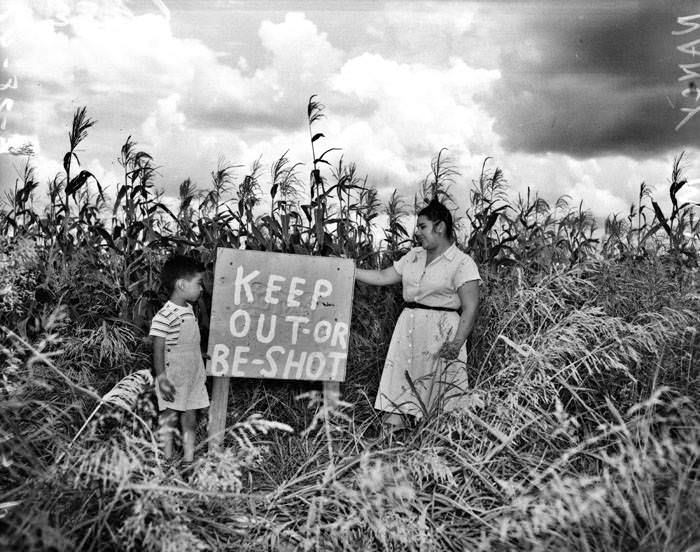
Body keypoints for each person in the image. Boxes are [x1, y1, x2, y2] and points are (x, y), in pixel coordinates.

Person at [355, 198, 480, 428]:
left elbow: (471, 306)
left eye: (422, 226)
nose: (417, 232)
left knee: (442, 398)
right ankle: (392, 446)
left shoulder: (462, 263)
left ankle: (437, 450)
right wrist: (351, 271)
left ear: (440, 227)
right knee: (400, 391)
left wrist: (456, 343)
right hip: (408, 331)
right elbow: (383, 277)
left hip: (441, 334)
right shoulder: (413, 256)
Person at [149, 255, 210, 462]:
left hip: (193, 373)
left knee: (190, 417)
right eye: (199, 284)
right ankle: (165, 458)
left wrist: (197, 353)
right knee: (170, 416)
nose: (202, 288)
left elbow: (185, 342)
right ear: (182, 285)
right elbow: (159, 348)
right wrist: (162, 378)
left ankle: (188, 458)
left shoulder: (189, 309)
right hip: (174, 374)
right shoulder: (164, 315)